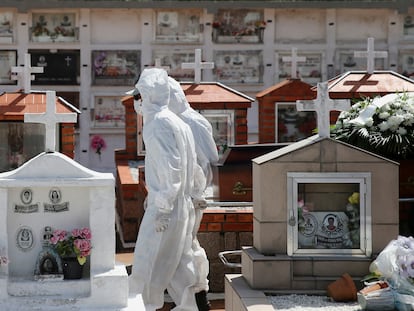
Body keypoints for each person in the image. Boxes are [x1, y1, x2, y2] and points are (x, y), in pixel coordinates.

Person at [129, 68, 205, 311]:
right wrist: (195, 195)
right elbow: (193, 167)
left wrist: (161, 208)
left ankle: (142, 308)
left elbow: (170, 170)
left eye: (138, 96)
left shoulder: (157, 125)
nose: (136, 102)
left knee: (147, 264)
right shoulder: (177, 122)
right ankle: (195, 305)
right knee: (179, 264)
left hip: (167, 209)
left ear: (148, 95)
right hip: (181, 206)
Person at [168, 76, 219, 311]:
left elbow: (208, 160)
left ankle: (191, 302)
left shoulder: (188, 121)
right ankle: (199, 298)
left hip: (189, 195)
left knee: (181, 252)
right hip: (187, 194)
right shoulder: (181, 119)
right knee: (188, 249)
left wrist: (191, 189)